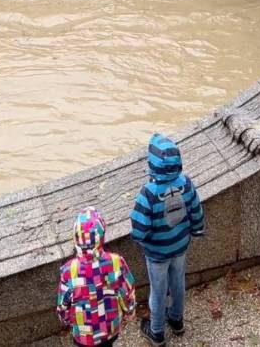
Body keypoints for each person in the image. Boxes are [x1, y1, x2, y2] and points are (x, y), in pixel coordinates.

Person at [129, 134, 206, 346]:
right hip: (180, 246)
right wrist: (197, 230)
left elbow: (140, 228)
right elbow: (196, 210)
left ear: (151, 164)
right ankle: (177, 320)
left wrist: (140, 240)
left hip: (157, 254)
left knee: (158, 290)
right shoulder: (186, 183)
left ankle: (157, 332)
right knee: (178, 283)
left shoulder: (148, 192)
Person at [57, 207, 138, 347]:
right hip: (109, 329)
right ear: (101, 236)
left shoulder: (68, 270)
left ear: (75, 238)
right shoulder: (116, 262)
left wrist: (66, 320)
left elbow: (63, 305)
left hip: (83, 335)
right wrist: (129, 311)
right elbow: (126, 291)